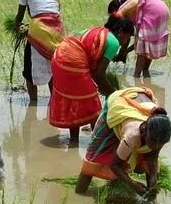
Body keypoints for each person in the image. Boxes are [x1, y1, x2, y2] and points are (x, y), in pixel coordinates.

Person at [76, 86, 171, 202]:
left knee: (149, 165)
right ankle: (79, 195)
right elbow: (114, 165)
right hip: (117, 105)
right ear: (144, 133)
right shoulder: (133, 135)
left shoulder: (164, 128)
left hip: (141, 100)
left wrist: (153, 178)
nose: (155, 147)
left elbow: (152, 158)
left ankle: (151, 201)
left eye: (159, 145)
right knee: (94, 155)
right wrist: (132, 184)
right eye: (152, 143)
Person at [49, 16, 134, 146]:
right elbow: (99, 74)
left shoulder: (97, 31)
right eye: (127, 37)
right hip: (72, 61)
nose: (125, 42)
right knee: (93, 104)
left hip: (59, 56)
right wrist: (115, 93)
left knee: (74, 101)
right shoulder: (113, 42)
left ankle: (74, 141)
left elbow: (94, 72)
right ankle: (99, 141)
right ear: (120, 31)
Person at [15, 0, 63, 106]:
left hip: (38, 30)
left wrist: (18, 27)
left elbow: (20, 15)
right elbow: (53, 11)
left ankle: (33, 103)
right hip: (56, 31)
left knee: (29, 69)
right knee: (53, 65)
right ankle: (53, 102)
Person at [109, 0, 170, 78]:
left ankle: (136, 76)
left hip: (153, 11)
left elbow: (125, 39)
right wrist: (125, 52)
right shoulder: (130, 7)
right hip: (163, 8)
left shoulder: (120, 13)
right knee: (149, 42)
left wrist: (119, 54)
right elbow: (131, 40)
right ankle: (145, 72)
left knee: (142, 49)